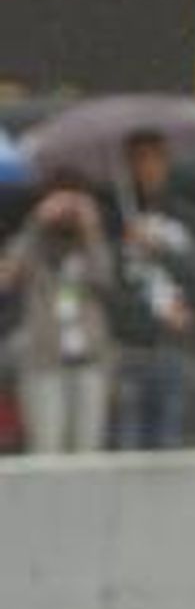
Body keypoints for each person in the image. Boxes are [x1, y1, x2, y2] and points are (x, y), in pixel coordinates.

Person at [0, 170, 117, 453]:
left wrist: (92, 231)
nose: (67, 211)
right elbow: (6, 277)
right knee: (47, 448)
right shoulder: (33, 244)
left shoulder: (91, 244)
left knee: (88, 450)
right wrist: (34, 224)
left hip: (89, 360)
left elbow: (107, 280)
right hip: (43, 359)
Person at [109, 130, 195, 449]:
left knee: (166, 438)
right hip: (128, 343)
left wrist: (159, 249)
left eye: (155, 158)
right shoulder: (116, 216)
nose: (148, 167)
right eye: (139, 159)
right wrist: (123, 243)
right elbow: (108, 279)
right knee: (127, 437)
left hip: (170, 342)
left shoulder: (184, 214)